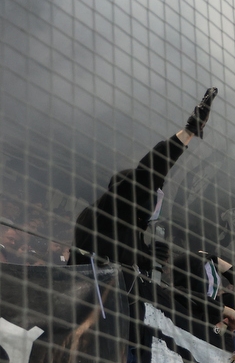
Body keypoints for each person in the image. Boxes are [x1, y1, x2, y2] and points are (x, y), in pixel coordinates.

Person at [71, 88, 218, 273]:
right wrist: (188, 133)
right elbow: (147, 174)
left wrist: (149, 259)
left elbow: (130, 275)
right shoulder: (105, 212)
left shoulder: (132, 232)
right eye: (152, 192)